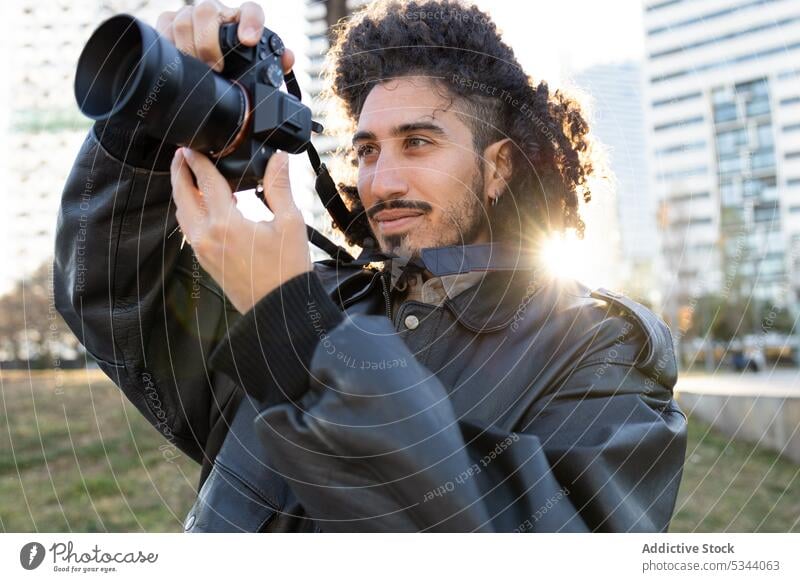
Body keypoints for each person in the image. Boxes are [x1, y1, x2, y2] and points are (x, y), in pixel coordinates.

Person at [54, 0, 687, 532]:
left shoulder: (598, 348)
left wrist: (300, 333)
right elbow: (111, 291)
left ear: (499, 166)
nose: (380, 181)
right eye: (366, 149)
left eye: (417, 142)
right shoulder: (326, 296)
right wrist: (142, 133)